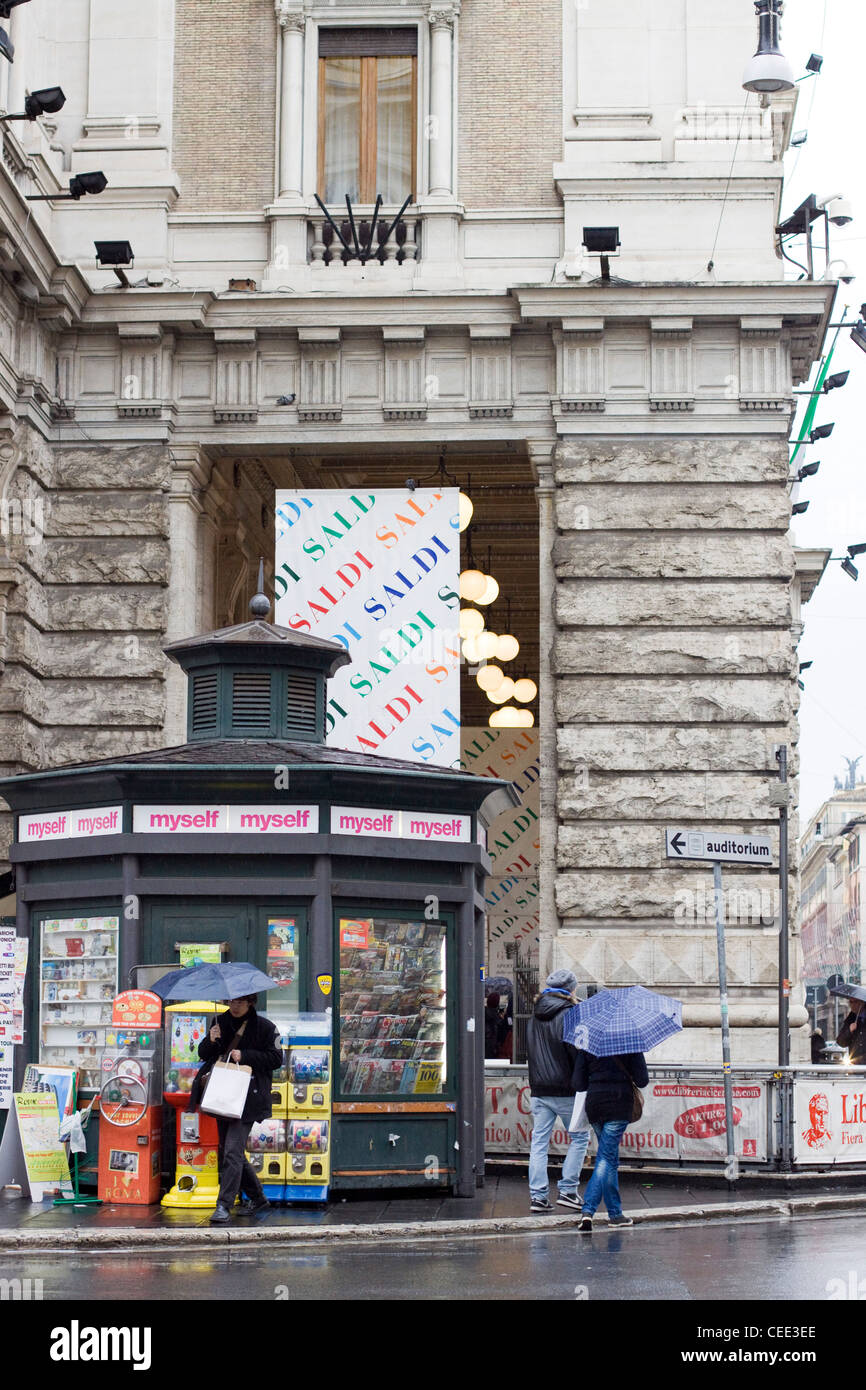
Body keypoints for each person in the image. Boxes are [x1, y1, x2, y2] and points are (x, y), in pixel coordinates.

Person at [191, 994, 283, 1225]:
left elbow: (276, 1058)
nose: (234, 1006)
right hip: (222, 1094)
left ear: (250, 1003)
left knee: (232, 1151)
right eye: (231, 1002)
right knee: (230, 1151)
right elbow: (204, 1055)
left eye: (240, 1002)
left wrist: (246, 1056)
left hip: (248, 1098)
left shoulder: (265, 1027)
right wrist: (211, 1041)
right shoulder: (219, 1022)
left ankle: (224, 1204)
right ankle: (258, 1198)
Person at [526, 969, 590, 1213]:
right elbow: (577, 1053)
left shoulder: (534, 1016)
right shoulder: (571, 1014)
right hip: (566, 1089)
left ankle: (538, 1197)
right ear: (570, 990)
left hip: (539, 1089)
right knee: (580, 1137)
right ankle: (568, 1190)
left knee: (539, 1143)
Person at [574, 1046, 648, 1231]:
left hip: (595, 1105)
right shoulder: (630, 1043)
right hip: (618, 1104)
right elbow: (642, 1080)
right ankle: (588, 1210)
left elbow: (578, 1083)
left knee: (610, 1160)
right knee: (605, 1159)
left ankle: (616, 1214)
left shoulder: (589, 1044)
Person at [836, 996, 866, 1064]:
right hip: (855, 1065)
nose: (851, 1005)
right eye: (850, 1002)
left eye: (855, 1002)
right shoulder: (851, 1019)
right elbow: (841, 1042)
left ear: (862, 1003)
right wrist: (849, 1030)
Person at [484, 992, 506, 1059]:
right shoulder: (496, 1015)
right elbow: (501, 1028)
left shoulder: (483, 1012)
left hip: (483, 1041)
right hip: (492, 1043)